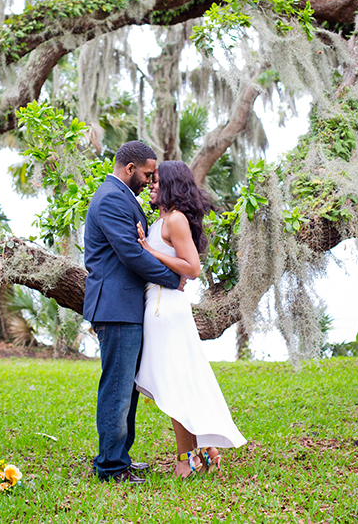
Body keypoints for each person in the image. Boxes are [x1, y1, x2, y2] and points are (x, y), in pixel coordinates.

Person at [134, 160, 247, 478]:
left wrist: (149, 252)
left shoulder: (177, 220)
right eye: (150, 180)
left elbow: (193, 268)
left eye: (156, 180)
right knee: (175, 386)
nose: (151, 185)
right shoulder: (160, 221)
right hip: (155, 308)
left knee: (175, 387)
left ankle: (186, 460)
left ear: (170, 183)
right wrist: (146, 244)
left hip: (168, 310)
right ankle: (204, 451)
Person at [83, 141, 182, 484]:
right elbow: (130, 254)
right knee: (117, 388)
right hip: (116, 307)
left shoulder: (121, 197)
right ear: (129, 169)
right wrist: (173, 278)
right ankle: (111, 466)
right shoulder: (111, 198)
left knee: (128, 388)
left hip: (126, 307)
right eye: (147, 173)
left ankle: (119, 456)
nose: (150, 179)